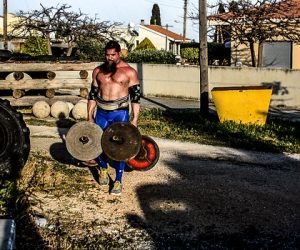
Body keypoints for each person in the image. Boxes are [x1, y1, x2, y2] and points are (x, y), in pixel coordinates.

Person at [87, 40, 141, 195]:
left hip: (120, 112)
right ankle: (103, 169)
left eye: (113, 55)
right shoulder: (98, 71)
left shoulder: (129, 72)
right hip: (102, 112)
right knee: (98, 142)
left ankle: (118, 181)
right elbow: (92, 96)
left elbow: (136, 98)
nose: (109, 58)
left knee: (121, 147)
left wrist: (134, 119)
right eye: (107, 54)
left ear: (119, 54)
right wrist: (89, 115)